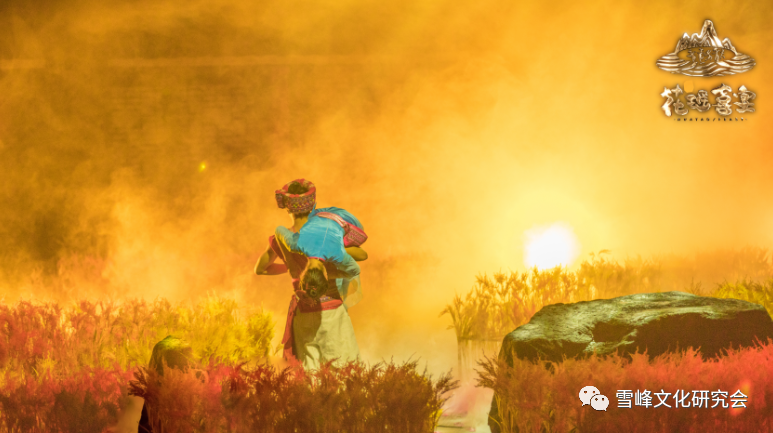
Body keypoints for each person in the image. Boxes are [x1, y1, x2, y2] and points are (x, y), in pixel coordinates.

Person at [254, 179, 366, 370]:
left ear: (287, 208)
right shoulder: (327, 236)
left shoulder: (279, 240)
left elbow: (261, 269)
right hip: (332, 314)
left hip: (303, 315)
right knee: (344, 373)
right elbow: (362, 256)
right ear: (312, 204)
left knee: (310, 377)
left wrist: (292, 271)